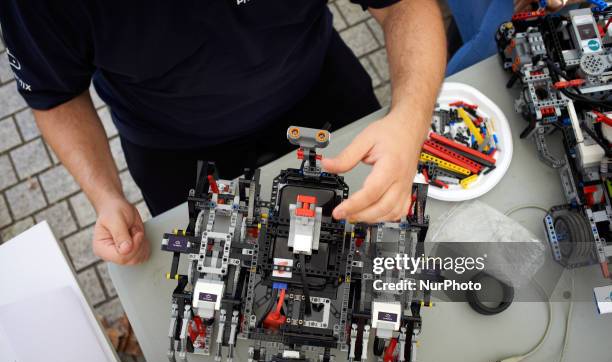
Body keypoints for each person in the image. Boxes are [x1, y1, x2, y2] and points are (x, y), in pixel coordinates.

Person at [0, 1, 446, 265]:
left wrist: (409, 120)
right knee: (224, 275)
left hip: (320, 91)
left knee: (376, 248)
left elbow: (402, 5)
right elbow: (55, 94)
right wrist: (106, 197)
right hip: (174, 148)